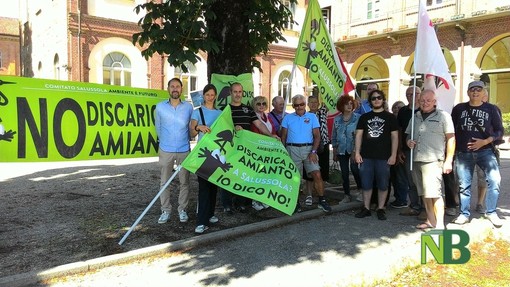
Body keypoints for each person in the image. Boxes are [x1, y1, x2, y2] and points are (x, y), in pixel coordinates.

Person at [451, 80, 504, 228]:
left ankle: (491, 212)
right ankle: (464, 213)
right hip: (463, 153)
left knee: (495, 180)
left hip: (485, 152)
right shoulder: (459, 109)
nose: (475, 92)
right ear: (468, 92)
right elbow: (451, 130)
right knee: (464, 185)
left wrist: (485, 141)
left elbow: (500, 131)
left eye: (478, 90)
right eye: (472, 90)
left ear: (483, 93)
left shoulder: (491, 109)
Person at [221, 83, 279, 213]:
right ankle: (227, 205)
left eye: (240, 92)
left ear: (242, 93)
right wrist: (232, 128)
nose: (237, 94)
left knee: (243, 174)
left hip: (244, 149)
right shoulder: (225, 109)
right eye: (235, 92)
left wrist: (271, 135)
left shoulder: (248, 109)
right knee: (227, 174)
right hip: (229, 148)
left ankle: (241, 203)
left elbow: (259, 124)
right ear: (231, 93)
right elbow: (220, 127)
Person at [406, 90, 455, 230]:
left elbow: (451, 139)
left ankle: (440, 224)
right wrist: (408, 141)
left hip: (433, 160)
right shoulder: (415, 117)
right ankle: (430, 220)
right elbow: (408, 136)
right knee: (424, 194)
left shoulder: (443, 116)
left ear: (434, 101)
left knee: (435, 193)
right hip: (417, 160)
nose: (425, 103)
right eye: (422, 100)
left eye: (428, 100)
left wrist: (449, 160)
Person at [281, 94, 332, 213]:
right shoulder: (287, 118)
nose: (299, 107)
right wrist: (284, 152)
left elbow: (317, 136)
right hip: (292, 149)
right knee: (294, 178)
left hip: (308, 149)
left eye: (302, 104)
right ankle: (295, 203)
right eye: (297, 105)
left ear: (305, 105)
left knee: (317, 174)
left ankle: (322, 200)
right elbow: (283, 137)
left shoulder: (312, 117)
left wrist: (314, 151)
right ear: (293, 106)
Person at [354, 89, 398, 220]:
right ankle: (366, 208)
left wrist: (393, 155)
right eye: (373, 98)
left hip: (384, 157)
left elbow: (395, 137)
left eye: (379, 97)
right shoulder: (364, 117)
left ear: (383, 99)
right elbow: (359, 135)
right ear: (370, 101)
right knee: (366, 184)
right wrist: (357, 153)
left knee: (383, 184)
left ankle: (381, 208)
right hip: (366, 156)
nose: (376, 100)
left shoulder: (390, 117)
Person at [155, 78, 193, 224]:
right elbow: (158, 128)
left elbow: (190, 127)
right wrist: (164, 142)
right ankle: (165, 210)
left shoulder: (188, 108)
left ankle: (182, 209)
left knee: (185, 182)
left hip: (184, 149)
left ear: (181, 89)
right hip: (166, 149)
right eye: (172, 86)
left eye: (177, 86)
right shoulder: (160, 107)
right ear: (168, 89)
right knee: (164, 182)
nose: (175, 89)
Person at [190, 84, 222, 234]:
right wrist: (198, 128)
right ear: (203, 95)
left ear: (215, 96)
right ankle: (201, 221)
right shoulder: (197, 112)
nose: (210, 97)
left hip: (217, 155)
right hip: (203, 155)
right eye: (207, 94)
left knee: (213, 186)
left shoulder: (220, 113)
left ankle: (210, 214)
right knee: (203, 188)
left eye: (212, 94)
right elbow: (191, 133)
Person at [397, 86, 423, 217]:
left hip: (424, 151)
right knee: (411, 180)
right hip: (408, 151)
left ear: (420, 94)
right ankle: (414, 205)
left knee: (423, 180)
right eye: (408, 94)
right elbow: (400, 131)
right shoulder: (403, 111)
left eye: (415, 93)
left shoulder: (425, 110)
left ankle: (425, 208)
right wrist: (400, 149)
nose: (412, 96)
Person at [332, 95, 361, 203]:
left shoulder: (357, 118)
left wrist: (356, 151)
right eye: (346, 104)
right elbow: (334, 135)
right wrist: (334, 150)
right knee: (344, 173)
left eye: (350, 103)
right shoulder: (337, 119)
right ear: (341, 106)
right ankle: (346, 195)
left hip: (354, 148)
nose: (349, 106)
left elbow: (359, 135)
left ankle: (361, 189)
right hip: (341, 149)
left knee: (355, 169)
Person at [303, 94, 330, 206]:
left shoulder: (322, 112)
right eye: (311, 102)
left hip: (323, 143)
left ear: (319, 103)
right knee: (309, 172)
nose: (313, 104)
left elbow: (329, 102)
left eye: (316, 102)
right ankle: (309, 194)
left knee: (322, 170)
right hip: (309, 145)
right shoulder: (305, 115)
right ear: (308, 104)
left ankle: (320, 194)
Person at [250, 96, 273, 211]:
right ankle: (255, 200)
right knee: (257, 175)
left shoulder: (267, 116)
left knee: (265, 174)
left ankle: (263, 198)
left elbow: (271, 131)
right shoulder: (253, 117)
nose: (261, 106)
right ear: (254, 105)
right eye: (258, 104)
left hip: (268, 150)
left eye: (264, 103)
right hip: (257, 150)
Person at [388, 100, 408, 209]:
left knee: (401, 176)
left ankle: (402, 199)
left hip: (400, 151)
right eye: (395, 107)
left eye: (399, 107)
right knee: (393, 176)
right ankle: (397, 197)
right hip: (389, 152)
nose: (396, 109)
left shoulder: (403, 121)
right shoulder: (390, 119)